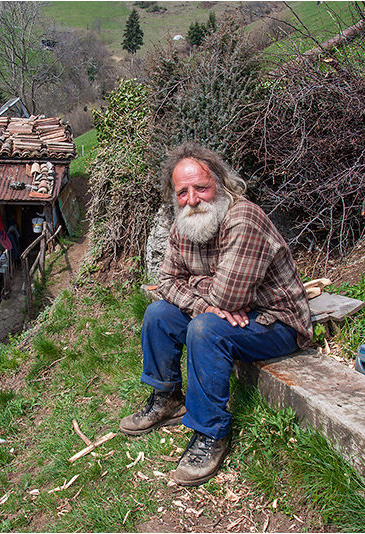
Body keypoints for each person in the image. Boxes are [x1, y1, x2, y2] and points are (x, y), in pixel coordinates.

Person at [119, 143, 312, 486]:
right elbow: (164, 281)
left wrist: (196, 289)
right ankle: (167, 398)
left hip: (276, 322)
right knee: (159, 313)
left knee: (205, 329)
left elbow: (229, 296)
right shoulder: (184, 224)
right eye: (182, 192)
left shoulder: (243, 218)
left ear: (221, 185)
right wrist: (207, 298)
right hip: (234, 316)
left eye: (201, 188)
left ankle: (210, 433)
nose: (193, 199)